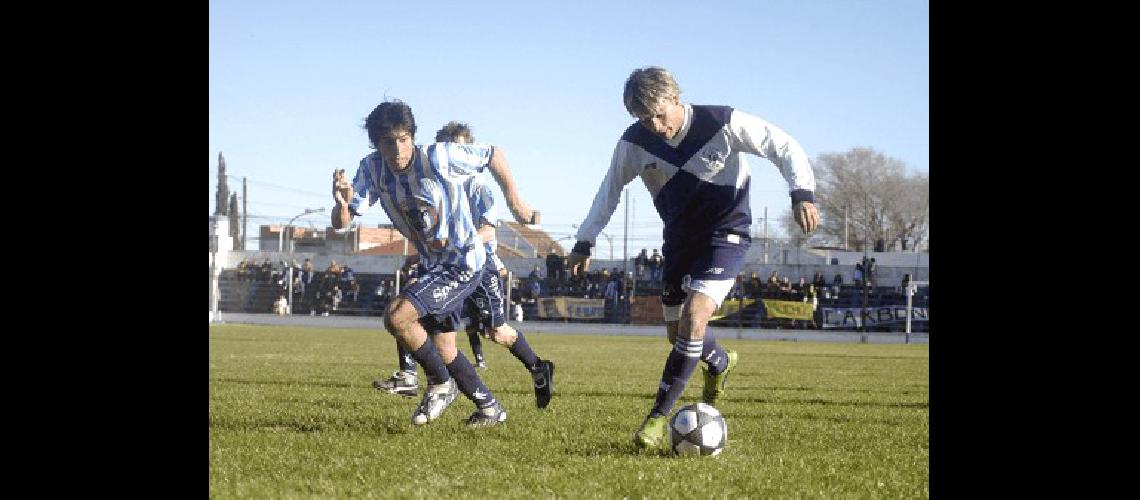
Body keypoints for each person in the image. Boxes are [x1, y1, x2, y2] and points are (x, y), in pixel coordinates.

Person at [566, 67, 819, 449]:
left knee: (694, 316)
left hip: (725, 234)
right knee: (678, 333)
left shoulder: (722, 122)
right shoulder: (633, 143)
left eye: (659, 113)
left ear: (674, 97)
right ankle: (720, 363)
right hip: (679, 242)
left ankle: (656, 418)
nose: (654, 125)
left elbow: (781, 144)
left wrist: (802, 192)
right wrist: (584, 242)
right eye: (643, 118)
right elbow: (609, 192)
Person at [334, 101, 539, 427]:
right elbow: (342, 222)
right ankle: (490, 408)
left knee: (397, 317)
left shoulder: (438, 156)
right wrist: (342, 203)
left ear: (412, 136)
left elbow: (493, 154)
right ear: (377, 144)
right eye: (389, 142)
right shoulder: (372, 169)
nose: (399, 149)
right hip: (434, 264)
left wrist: (516, 202)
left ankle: (441, 385)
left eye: (404, 139)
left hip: (462, 262)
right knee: (443, 346)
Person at [374, 122, 555, 404]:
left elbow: (488, 232)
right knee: (411, 309)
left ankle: (537, 367)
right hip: (446, 265)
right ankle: (411, 375)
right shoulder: (435, 183)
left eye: (459, 149)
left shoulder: (479, 188)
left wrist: (457, 244)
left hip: (480, 267)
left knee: (496, 332)